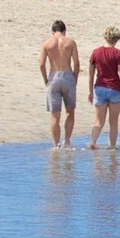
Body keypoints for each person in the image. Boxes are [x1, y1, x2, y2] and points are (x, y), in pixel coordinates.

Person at [86, 27, 120, 150]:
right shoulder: (118, 54)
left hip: (100, 88)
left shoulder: (96, 52)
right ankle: (112, 147)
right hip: (115, 89)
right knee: (113, 122)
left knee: (98, 122)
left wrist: (90, 92)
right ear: (116, 39)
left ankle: (93, 142)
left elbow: (90, 75)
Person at [40, 20, 80, 149]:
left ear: (52, 32)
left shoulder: (47, 43)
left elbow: (41, 64)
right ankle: (67, 141)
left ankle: (56, 145)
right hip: (68, 76)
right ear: (64, 31)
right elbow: (77, 63)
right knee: (70, 112)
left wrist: (46, 79)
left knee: (55, 114)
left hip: (54, 76)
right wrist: (75, 78)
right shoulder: (70, 42)